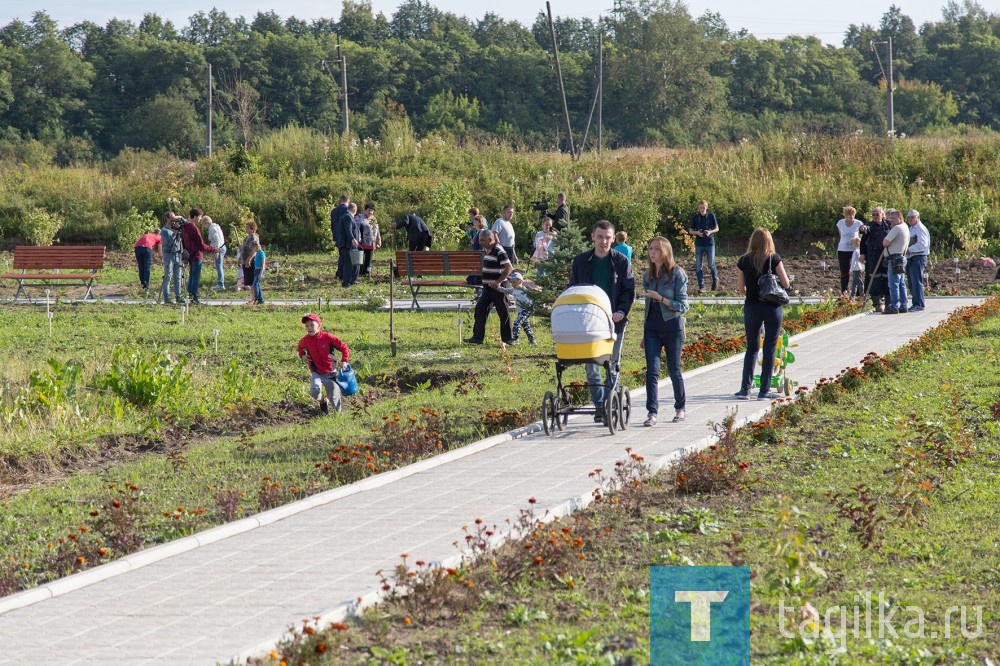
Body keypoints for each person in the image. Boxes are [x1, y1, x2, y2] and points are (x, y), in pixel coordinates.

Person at [569, 220, 635, 423]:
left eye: (607, 238)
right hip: (589, 323)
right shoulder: (581, 262)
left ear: (613, 239)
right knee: (591, 365)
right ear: (592, 237)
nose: (603, 241)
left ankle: (610, 403)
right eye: (600, 237)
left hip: (614, 322)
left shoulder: (621, 262)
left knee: (612, 364)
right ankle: (599, 406)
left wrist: (622, 311)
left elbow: (629, 290)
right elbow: (573, 289)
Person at [735, 228, 791, 401]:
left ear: (753, 241)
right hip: (772, 308)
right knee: (769, 349)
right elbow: (786, 283)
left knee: (752, 348)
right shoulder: (774, 258)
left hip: (752, 307)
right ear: (769, 242)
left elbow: (740, 289)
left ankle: (745, 389)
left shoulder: (744, 260)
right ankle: (764, 391)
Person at [640, 236, 689, 426]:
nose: (652, 252)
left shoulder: (677, 274)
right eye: (650, 248)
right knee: (652, 371)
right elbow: (647, 308)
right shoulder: (648, 275)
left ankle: (680, 409)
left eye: (657, 249)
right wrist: (644, 334)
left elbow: (683, 306)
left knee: (673, 370)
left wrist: (661, 298)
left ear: (666, 252)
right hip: (652, 329)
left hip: (672, 328)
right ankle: (652, 413)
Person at [465, 229, 514, 345]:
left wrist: (498, 282)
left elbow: (509, 268)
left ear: (490, 239)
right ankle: (477, 338)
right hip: (488, 288)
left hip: (498, 288)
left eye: (482, 240)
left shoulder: (499, 250)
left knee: (503, 312)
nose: (480, 242)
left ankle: (508, 339)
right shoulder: (489, 249)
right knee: (480, 310)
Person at [297, 313, 350, 415]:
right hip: (316, 372)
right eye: (307, 326)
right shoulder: (306, 340)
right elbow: (299, 347)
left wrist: (344, 360)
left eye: (312, 325)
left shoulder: (328, 337)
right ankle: (323, 401)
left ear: (319, 325)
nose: (309, 328)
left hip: (330, 372)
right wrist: (303, 355)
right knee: (314, 391)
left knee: (334, 398)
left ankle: (339, 416)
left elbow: (344, 347)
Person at [179, 208, 218, 305]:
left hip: (190, 255)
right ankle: (195, 298)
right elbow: (201, 244)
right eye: (200, 217)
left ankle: (190, 296)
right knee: (195, 277)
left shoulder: (184, 227)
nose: (200, 219)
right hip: (197, 255)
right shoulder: (193, 228)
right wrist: (213, 249)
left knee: (192, 276)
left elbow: (183, 243)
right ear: (195, 217)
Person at [861, 207, 890, 312]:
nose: (875, 217)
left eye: (877, 214)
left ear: (882, 215)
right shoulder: (870, 225)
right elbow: (864, 234)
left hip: (886, 254)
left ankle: (889, 302)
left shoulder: (888, 224)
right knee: (874, 278)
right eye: (873, 215)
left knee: (887, 277)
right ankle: (877, 303)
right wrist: (862, 254)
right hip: (873, 255)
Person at [500, 271, 540, 345]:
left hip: (526, 310)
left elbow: (536, 294)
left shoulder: (526, 290)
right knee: (526, 326)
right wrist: (496, 286)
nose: (512, 284)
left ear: (520, 281)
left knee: (517, 323)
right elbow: (503, 290)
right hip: (520, 311)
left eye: (514, 282)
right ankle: (532, 341)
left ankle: (515, 340)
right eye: (511, 282)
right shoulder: (513, 290)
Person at [882, 209, 910, 314]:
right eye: (890, 218)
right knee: (901, 283)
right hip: (902, 257)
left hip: (895, 258)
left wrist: (890, 230)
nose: (891, 220)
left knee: (893, 283)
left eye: (893, 218)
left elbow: (885, 242)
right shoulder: (905, 227)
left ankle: (894, 306)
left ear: (900, 218)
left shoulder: (897, 228)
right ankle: (903, 305)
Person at [689, 199, 719, 292]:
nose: (702, 209)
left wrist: (709, 231)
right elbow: (690, 230)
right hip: (699, 243)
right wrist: (697, 233)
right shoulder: (695, 217)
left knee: (711, 264)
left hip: (709, 242)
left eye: (704, 207)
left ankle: (715, 279)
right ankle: (702, 287)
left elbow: (717, 228)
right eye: (701, 207)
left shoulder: (711, 216)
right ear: (698, 207)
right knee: (698, 266)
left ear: (707, 207)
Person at [905, 210, 930, 312]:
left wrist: (909, 250)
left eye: (912, 217)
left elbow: (922, 244)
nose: (910, 219)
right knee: (911, 282)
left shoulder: (920, 228)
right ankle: (915, 303)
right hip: (911, 257)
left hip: (918, 257)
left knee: (916, 281)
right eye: (909, 217)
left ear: (918, 217)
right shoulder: (911, 228)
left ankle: (919, 304)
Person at [836, 206, 863, 294]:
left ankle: (860, 292)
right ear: (845, 215)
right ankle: (844, 292)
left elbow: (861, 237)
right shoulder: (840, 223)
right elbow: (841, 236)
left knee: (857, 270)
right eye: (849, 215)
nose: (851, 216)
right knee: (844, 271)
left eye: (853, 214)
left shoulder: (858, 223)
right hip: (843, 249)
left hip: (854, 250)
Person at [159, 213, 184, 305]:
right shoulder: (164, 230)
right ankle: (167, 297)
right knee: (168, 275)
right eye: (171, 218)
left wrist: (180, 218)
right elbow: (169, 242)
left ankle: (178, 296)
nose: (173, 220)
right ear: (167, 219)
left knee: (178, 276)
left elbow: (185, 223)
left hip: (177, 254)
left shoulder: (175, 228)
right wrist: (175, 232)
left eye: (174, 218)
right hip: (168, 254)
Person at [336, 202, 361, 288]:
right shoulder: (348, 217)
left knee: (354, 263)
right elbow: (348, 229)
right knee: (348, 264)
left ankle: (352, 280)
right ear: (354, 210)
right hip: (348, 244)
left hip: (350, 244)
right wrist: (353, 239)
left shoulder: (347, 216)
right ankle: (346, 282)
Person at [202, 215, 226, 291]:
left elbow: (217, 239)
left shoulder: (212, 229)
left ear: (206, 223)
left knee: (219, 266)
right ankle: (220, 283)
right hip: (221, 247)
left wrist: (217, 251)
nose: (204, 226)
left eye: (204, 225)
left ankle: (221, 284)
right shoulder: (215, 227)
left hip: (219, 248)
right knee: (218, 265)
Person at [330, 195, 350, 282]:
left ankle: (339, 272)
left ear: (340, 200)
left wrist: (334, 236)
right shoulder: (347, 210)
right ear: (348, 200)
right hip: (345, 236)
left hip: (337, 236)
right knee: (344, 256)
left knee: (341, 254)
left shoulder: (333, 211)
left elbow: (332, 225)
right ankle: (341, 274)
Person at [236, 220, 259, 294]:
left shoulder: (254, 238)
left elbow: (254, 251)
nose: (246, 229)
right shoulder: (247, 238)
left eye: (248, 228)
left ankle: (255, 298)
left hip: (251, 262)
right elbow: (243, 249)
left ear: (253, 230)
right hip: (244, 261)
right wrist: (240, 258)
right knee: (249, 281)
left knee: (252, 281)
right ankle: (252, 298)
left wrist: (248, 260)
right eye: (246, 227)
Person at [358, 202, 380, 277]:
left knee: (369, 259)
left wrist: (378, 239)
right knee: (361, 259)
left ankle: (366, 273)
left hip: (371, 242)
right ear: (365, 210)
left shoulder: (374, 219)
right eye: (369, 210)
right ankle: (359, 273)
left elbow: (377, 229)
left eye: (372, 210)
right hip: (362, 242)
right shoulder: (359, 217)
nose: (370, 212)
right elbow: (356, 229)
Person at [246, 239, 266, 305]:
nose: (252, 250)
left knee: (255, 284)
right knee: (257, 285)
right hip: (256, 270)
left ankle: (257, 299)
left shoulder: (261, 253)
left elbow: (263, 263)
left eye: (252, 248)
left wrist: (261, 273)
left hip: (260, 270)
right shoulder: (257, 253)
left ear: (256, 246)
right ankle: (260, 299)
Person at [849, 235, 865, 299]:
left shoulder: (855, 252)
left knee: (858, 282)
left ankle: (861, 294)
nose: (851, 245)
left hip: (856, 269)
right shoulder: (859, 251)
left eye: (852, 244)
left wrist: (851, 269)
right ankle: (853, 294)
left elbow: (853, 261)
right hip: (859, 268)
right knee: (855, 282)